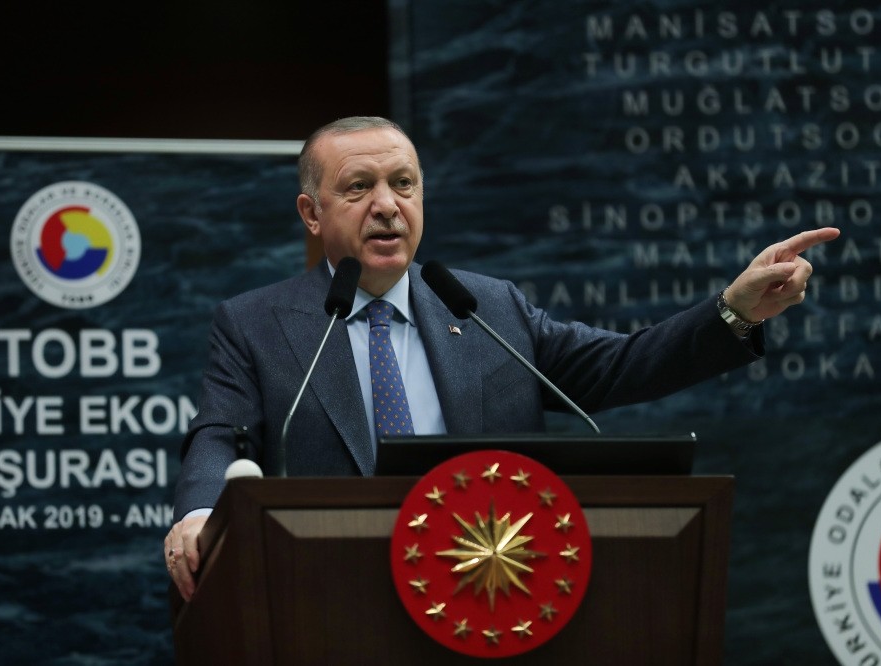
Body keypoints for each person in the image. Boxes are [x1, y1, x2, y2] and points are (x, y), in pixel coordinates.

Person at [164, 115, 840, 600]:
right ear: (312, 214)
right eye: (358, 188)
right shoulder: (255, 323)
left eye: (404, 184)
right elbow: (221, 433)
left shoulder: (487, 309)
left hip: (488, 594)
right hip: (332, 602)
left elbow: (621, 365)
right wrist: (197, 516)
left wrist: (735, 311)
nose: (387, 206)